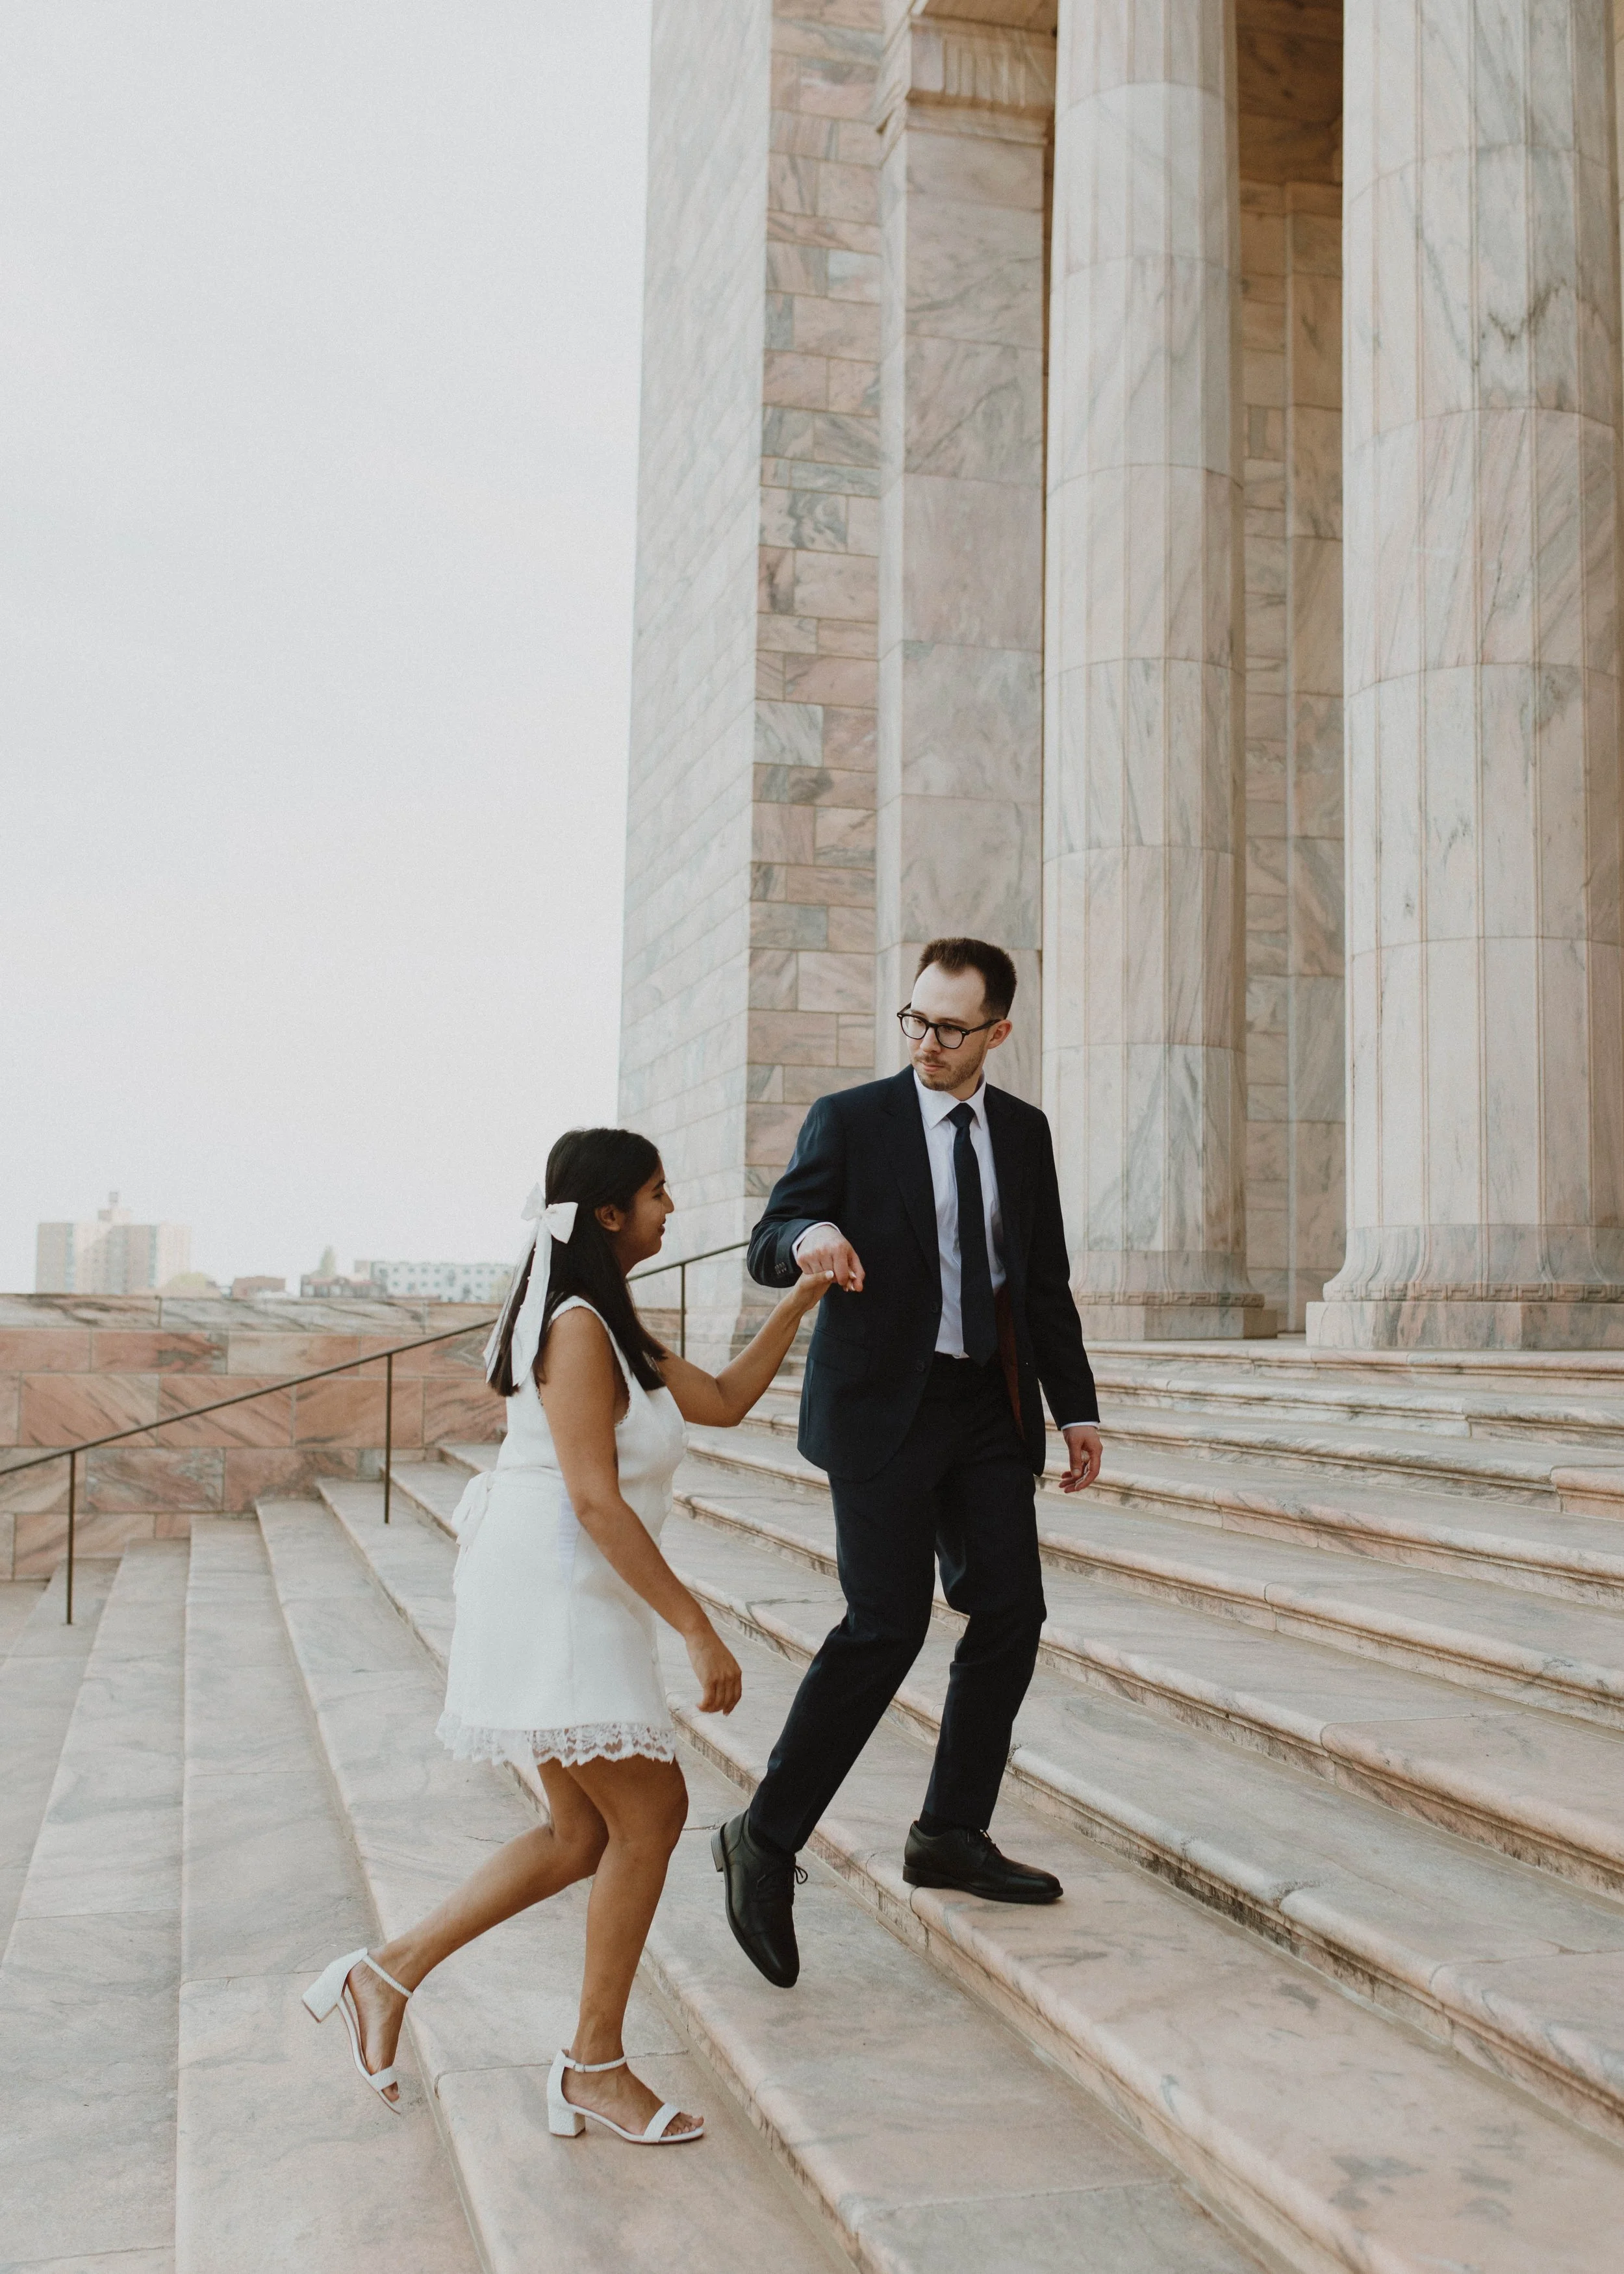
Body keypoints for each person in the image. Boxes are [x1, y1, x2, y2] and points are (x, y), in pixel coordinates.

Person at [303, 1129, 830, 2143]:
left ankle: (386, 1973)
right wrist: (697, 1627)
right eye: (657, 1194)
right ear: (607, 1215)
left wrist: (799, 1302)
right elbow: (594, 1501)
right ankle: (592, 2063)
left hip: (570, 1586)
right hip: (556, 1588)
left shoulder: (610, 1319)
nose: (672, 1211)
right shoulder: (579, 1327)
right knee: (653, 1812)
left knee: (581, 1832)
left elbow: (721, 1402)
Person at [713, 937, 1103, 1987]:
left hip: (986, 1404)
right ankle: (766, 1839)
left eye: (951, 1028)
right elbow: (771, 1231)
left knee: (1011, 1611)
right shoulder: (851, 1119)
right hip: (883, 1406)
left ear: (998, 1035)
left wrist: (1077, 1409)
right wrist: (807, 1241)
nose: (927, 1042)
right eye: (915, 1020)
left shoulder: (1023, 1134)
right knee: (885, 1626)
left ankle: (949, 1834)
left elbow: (1044, 1280)